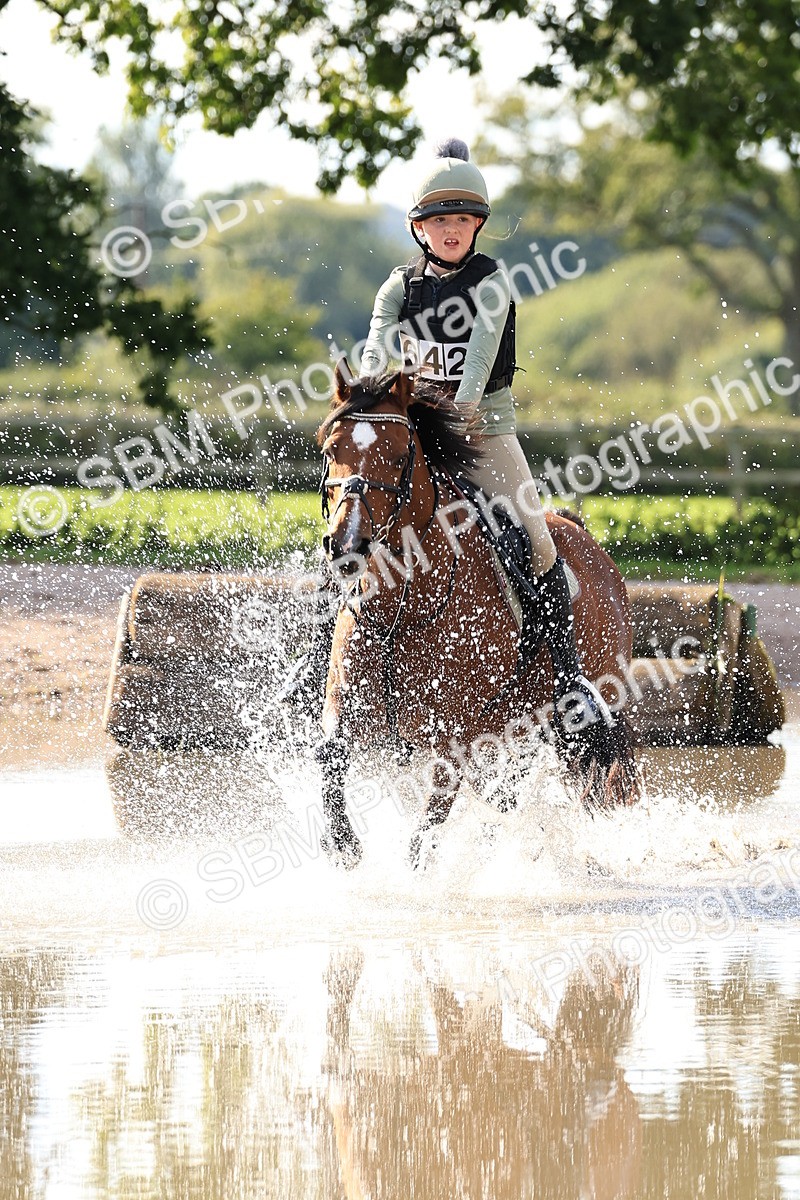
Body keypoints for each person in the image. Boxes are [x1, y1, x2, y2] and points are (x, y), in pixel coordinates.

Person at [280, 139, 610, 735]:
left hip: (484, 432)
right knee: (353, 527)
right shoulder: (397, 289)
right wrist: (372, 406)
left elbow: (478, 366)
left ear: (478, 224)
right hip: (413, 432)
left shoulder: (491, 283)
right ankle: (317, 672)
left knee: (537, 540)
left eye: (461, 219)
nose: (451, 229)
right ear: (419, 228)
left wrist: (451, 417)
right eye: (439, 220)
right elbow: (377, 356)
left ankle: (569, 680)